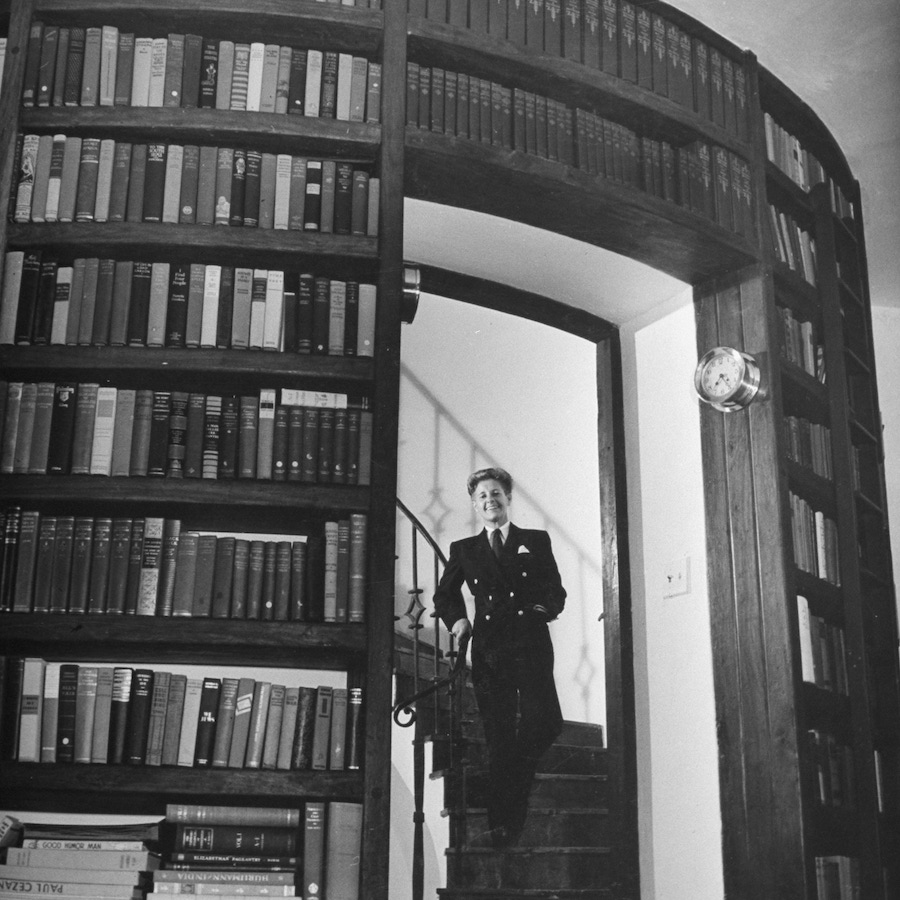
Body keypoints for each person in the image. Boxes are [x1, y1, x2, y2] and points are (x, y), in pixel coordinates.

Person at [433, 467, 566, 847]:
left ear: (508, 498)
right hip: (491, 650)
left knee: (546, 721)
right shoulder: (465, 549)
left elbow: (555, 589)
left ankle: (514, 789)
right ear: (475, 506)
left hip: (532, 644)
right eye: (482, 497)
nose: (490, 501)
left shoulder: (534, 540)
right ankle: (503, 823)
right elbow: (445, 595)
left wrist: (542, 610)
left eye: (496, 493)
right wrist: (458, 620)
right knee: (499, 736)